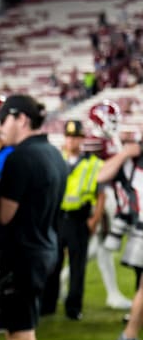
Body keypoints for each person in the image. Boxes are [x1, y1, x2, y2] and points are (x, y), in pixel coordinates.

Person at [0, 95, 67, 340]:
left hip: (22, 254)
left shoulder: (20, 157)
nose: (0, 127)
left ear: (20, 118)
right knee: (16, 325)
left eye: (3, 119)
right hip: (44, 248)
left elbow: (4, 214)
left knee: (22, 330)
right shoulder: (54, 153)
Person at [41, 120, 104, 320]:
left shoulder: (93, 163)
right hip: (57, 217)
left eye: (75, 137)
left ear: (82, 139)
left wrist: (95, 219)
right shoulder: (56, 158)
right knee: (53, 263)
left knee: (78, 266)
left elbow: (101, 193)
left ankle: (74, 307)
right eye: (68, 137)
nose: (71, 141)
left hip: (79, 218)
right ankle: (48, 304)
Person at [97, 128, 143, 340]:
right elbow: (102, 175)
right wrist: (125, 153)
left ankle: (129, 335)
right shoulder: (131, 161)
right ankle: (129, 336)